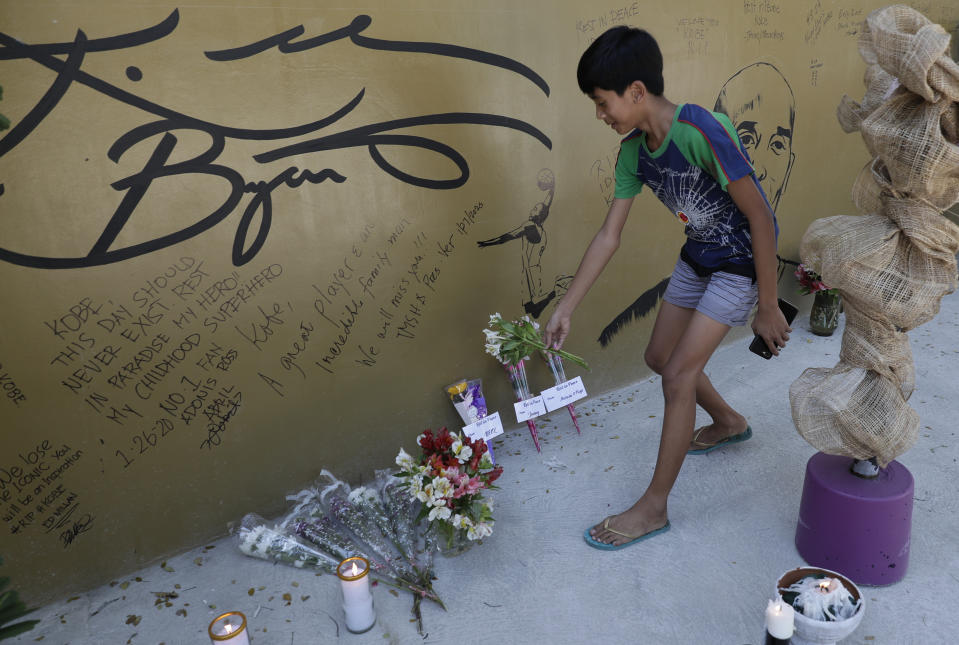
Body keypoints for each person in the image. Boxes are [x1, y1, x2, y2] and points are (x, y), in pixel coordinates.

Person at [544, 26, 791, 549]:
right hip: (698, 256)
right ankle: (727, 420)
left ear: (636, 91)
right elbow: (609, 236)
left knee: (678, 376)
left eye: (602, 102)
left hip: (742, 264)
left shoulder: (702, 130)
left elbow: (761, 219)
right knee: (660, 357)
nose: (600, 114)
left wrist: (767, 305)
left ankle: (654, 508)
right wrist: (568, 307)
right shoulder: (634, 153)